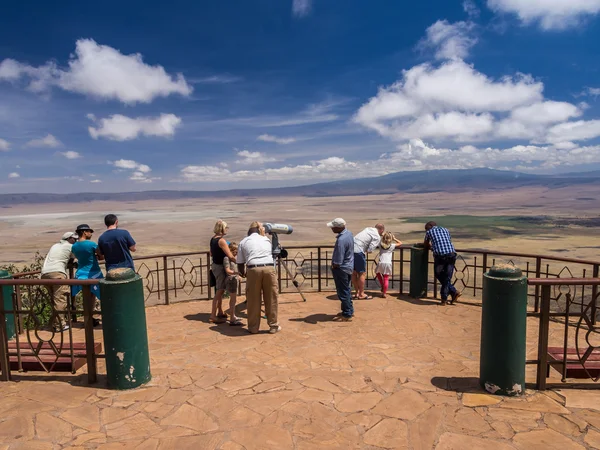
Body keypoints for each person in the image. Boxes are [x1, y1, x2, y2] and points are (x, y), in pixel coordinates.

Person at [236, 221, 280, 334]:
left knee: (253, 299)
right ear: (260, 229)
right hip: (269, 269)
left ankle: (253, 327)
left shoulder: (244, 242)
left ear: (249, 231)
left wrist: (243, 273)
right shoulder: (266, 239)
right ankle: (273, 325)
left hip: (253, 269)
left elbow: (240, 262)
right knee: (271, 298)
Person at [71, 224, 103, 326]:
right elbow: (101, 255)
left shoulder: (74, 246)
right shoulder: (91, 244)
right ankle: (90, 319)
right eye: (90, 231)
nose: (91, 234)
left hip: (80, 274)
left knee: (86, 297)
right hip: (93, 273)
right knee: (96, 295)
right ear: (84, 232)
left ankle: (88, 318)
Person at [424, 221, 461, 305]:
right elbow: (447, 241)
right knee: (447, 277)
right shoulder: (445, 229)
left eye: (426, 228)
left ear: (430, 226)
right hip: (452, 254)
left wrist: (431, 247)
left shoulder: (429, 232)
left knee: (438, 274)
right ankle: (452, 293)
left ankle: (445, 297)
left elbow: (426, 244)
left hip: (441, 256)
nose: (426, 230)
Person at [41, 232, 78, 315]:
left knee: (53, 300)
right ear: (69, 239)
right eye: (75, 239)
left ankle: (55, 323)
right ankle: (60, 325)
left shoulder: (55, 246)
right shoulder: (71, 246)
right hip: (57, 273)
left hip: (45, 274)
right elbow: (74, 258)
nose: (76, 241)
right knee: (60, 300)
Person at [209, 220, 237, 324]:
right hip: (221, 267)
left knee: (219, 290)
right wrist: (239, 261)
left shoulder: (212, 239)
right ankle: (213, 315)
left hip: (215, 266)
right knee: (219, 291)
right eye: (226, 227)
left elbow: (211, 253)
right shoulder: (221, 241)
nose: (227, 229)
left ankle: (219, 312)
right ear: (221, 229)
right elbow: (230, 255)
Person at [328, 218, 355, 321]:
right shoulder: (349, 234)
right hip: (348, 266)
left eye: (333, 227)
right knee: (346, 290)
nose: (331, 229)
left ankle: (347, 314)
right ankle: (348, 310)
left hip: (341, 268)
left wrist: (334, 266)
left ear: (338, 228)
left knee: (343, 292)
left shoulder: (341, 240)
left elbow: (339, 258)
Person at [352, 223, 385, 300]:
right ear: (382, 230)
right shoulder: (377, 236)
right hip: (358, 252)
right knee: (362, 273)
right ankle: (361, 294)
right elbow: (370, 250)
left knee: (353, 273)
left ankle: (356, 293)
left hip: (350, 250)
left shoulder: (368, 229)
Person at [376, 232, 402, 298]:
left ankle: (382, 284)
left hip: (381, 262)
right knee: (386, 278)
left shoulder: (380, 244)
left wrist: (383, 235)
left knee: (377, 273)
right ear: (390, 239)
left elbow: (376, 241)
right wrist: (394, 238)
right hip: (388, 263)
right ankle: (384, 293)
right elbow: (400, 243)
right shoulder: (392, 245)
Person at [223, 242, 243, 326]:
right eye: (234, 251)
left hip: (235, 279)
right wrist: (236, 273)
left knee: (234, 299)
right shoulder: (226, 258)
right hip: (231, 280)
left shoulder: (236, 258)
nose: (236, 253)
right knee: (233, 299)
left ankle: (233, 315)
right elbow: (227, 270)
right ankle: (232, 318)